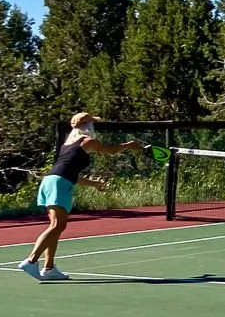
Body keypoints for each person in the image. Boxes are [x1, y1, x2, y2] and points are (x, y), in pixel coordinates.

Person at [18, 113, 142, 281]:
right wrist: (128, 145)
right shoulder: (87, 141)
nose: (94, 126)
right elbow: (112, 150)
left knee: (57, 227)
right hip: (58, 183)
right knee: (56, 226)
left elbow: (70, 173)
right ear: (85, 125)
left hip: (52, 181)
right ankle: (31, 261)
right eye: (92, 123)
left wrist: (94, 184)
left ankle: (49, 268)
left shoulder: (68, 144)